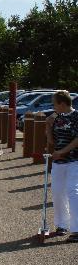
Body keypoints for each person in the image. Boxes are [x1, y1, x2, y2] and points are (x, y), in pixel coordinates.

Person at [46, 90, 78, 242]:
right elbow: (52, 142)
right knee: (58, 192)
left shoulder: (76, 116)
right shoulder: (57, 118)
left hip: (74, 160)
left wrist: (63, 151)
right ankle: (62, 225)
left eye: (54, 104)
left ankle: (77, 229)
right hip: (59, 162)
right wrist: (48, 126)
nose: (53, 107)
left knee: (73, 191)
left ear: (62, 103)